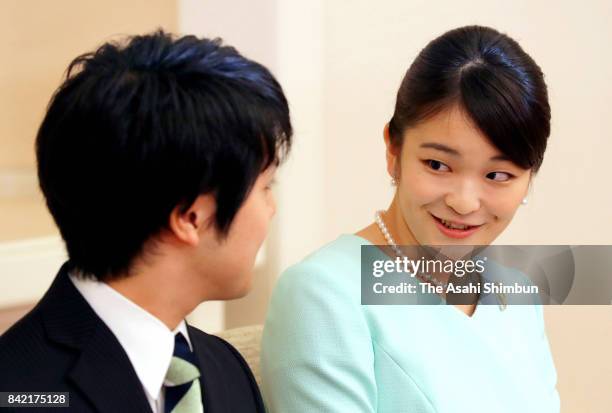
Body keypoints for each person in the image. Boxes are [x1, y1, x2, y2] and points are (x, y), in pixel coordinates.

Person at [261, 25, 559, 412]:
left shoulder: (516, 294)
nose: (465, 202)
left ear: (529, 177)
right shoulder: (322, 294)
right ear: (393, 148)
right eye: (438, 164)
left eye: (498, 175)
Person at [0, 30, 291, 413]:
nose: (271, 208)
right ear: (191, 217)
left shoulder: (225, 368)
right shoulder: (21, 393)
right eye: (265, 187)